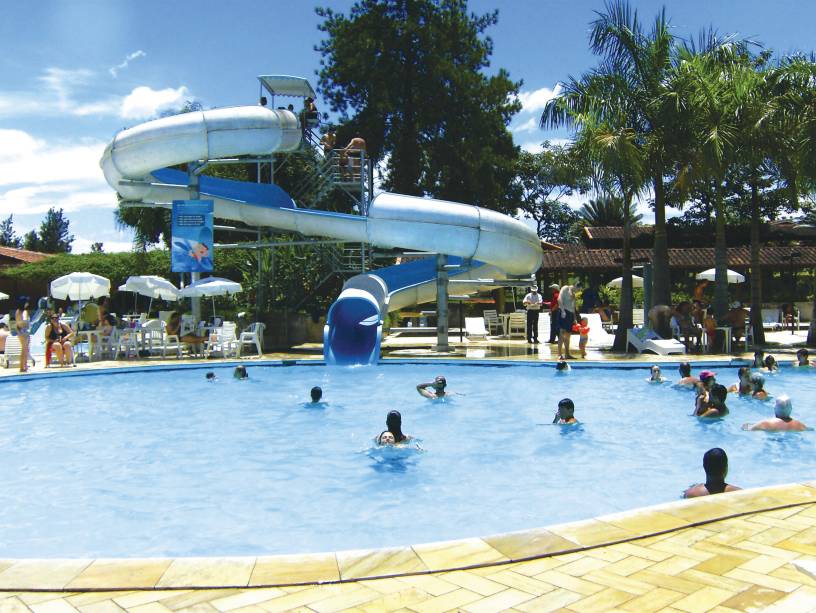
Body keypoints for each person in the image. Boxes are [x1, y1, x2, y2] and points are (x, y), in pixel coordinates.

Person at [743, 395, 808, 432]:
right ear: (791, 409)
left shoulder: (766, 423)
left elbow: (747, 429)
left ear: (775, 408)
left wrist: (745, 426)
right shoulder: (800, 425)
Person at [557, 281, 580, 359]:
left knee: (568, 335)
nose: (578, 291)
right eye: (578, 289)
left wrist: (575, 318)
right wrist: (563, 310)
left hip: (570, 315)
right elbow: (559, 299)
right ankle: (559, 354)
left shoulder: (573, 294)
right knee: (562, 333)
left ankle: (567, 353)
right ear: (575, 286)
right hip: (564, 312)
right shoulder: (565, 288)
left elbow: (573, 308)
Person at [15, 296, 32, 373]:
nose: (28, 304)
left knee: (25, 349)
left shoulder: (18, 311)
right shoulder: (21, 312)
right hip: (23, 331)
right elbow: (22, 322)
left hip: (22, 331)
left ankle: (24, 366)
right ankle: (22, 367)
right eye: (27, 302)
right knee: (24, 350)